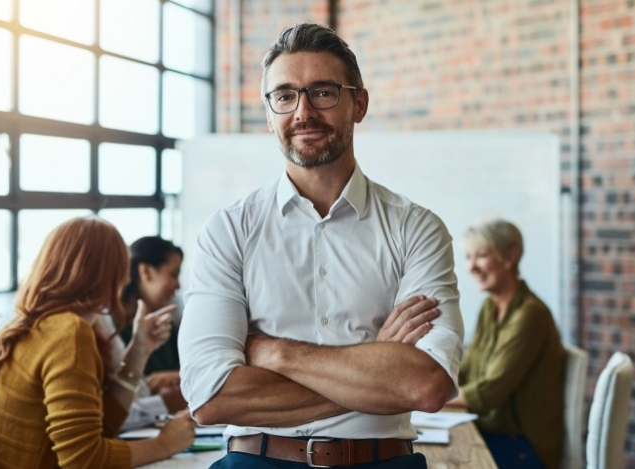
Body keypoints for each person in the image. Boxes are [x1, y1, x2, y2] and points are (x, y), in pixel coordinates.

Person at [179, 23, 464, 469]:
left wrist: (275, 352)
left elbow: (425, 385)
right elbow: (210, 397)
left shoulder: (416, 228)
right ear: (270, 112)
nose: (303, 112)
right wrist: (376, 367)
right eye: (285, 96)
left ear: (359, 103)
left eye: (324, 93)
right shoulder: (228, 230)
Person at [0, 217, 195, 468]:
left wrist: (139, 349)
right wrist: (164, 445)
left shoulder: (46, 321)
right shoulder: (69, 331)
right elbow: (83, 459)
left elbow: (101, 427)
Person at [446, 219, 565, 469]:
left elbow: (488, 393)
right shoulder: (490, 307)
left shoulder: (531, 314)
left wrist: (425, 398)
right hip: (493, 433)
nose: (471, 267)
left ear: (509, 256)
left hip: (523, 448)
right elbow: (466, 371)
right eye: (468, 257)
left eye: (481, 255)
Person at [119, 236, 186, 413]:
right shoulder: (113, 326)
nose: (178, 285)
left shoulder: (166, 321)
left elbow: (186, 364)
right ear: (146, 272)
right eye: (173, 273)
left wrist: (176, 377)